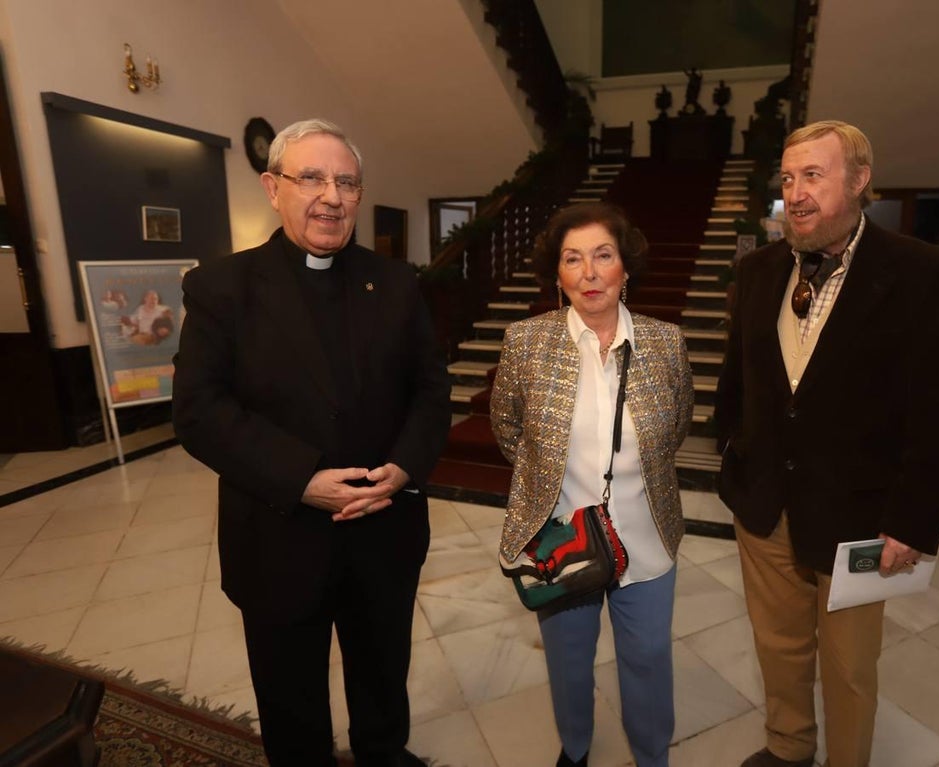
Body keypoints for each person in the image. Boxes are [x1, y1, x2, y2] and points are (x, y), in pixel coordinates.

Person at [172, 118, 451, 767]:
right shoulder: (221, 288)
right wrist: (301, 479)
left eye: (346, 182)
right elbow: (199, 411)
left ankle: (382, 752)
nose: (331, 196)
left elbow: (431, 391)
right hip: (280, 534)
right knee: (290, 694)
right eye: (313, 178)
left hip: (384, 526)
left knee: (383, 670)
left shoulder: (397, 282)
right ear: (273, 188)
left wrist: (404, 467)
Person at [714, 120, 939, 767]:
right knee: (778, 646)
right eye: (788, 178)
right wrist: (733, 453)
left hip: (860, 517)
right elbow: (738, 378)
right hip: (765, 505)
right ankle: (789, 746)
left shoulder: (918, 271)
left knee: (850, 667)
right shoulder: (758, 269)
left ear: (859, 181)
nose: (795, 193)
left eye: (813, 176)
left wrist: (913, 519)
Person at [489, 202, 693, 767]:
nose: (589, 273)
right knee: (568, 661)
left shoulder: (665, 343)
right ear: (557, 274)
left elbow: (676, 427)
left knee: (648, 659)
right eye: (572, 259)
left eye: (603, 256)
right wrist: (547, 479)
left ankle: (652, 755)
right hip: (562, 541)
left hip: (646, 536)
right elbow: (508, 430)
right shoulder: (525, 342)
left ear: (625, 266)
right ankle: (575, 748)